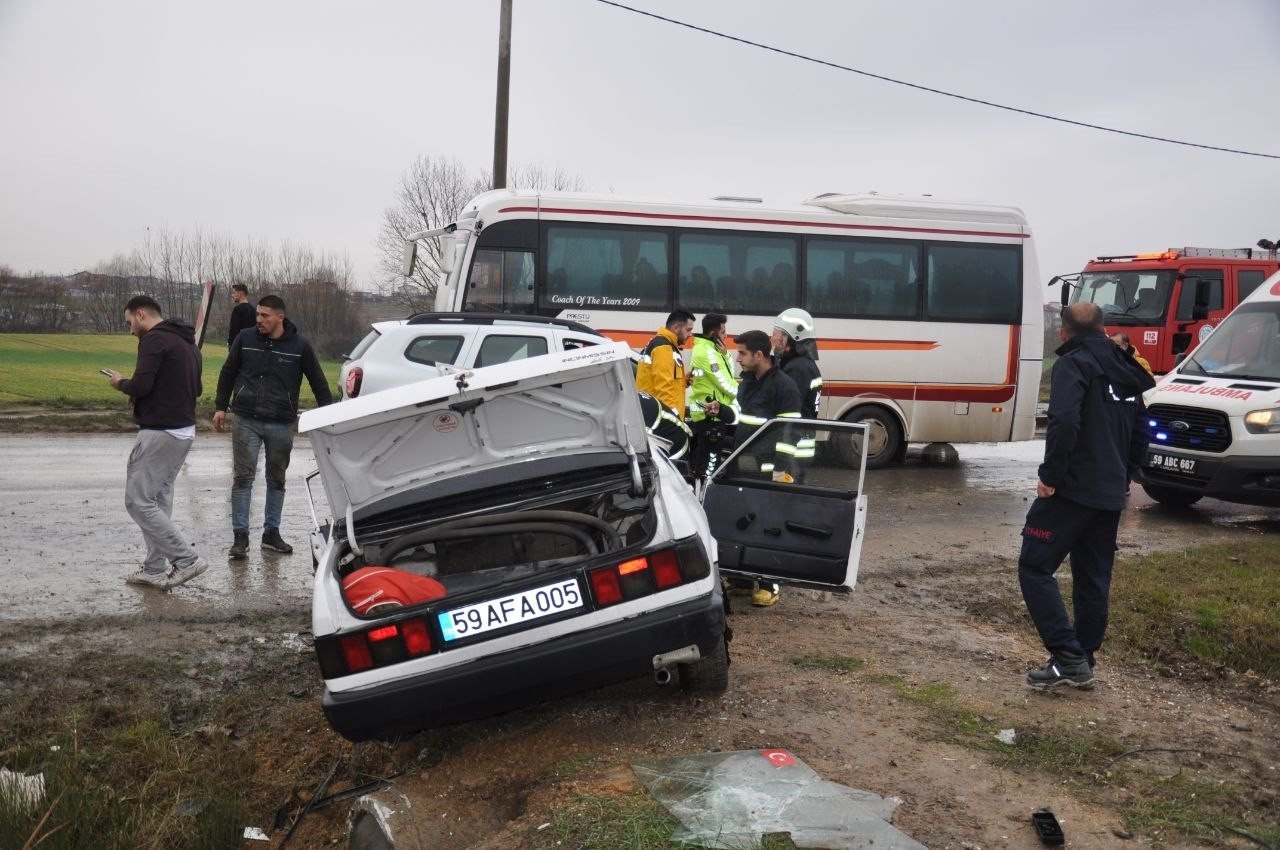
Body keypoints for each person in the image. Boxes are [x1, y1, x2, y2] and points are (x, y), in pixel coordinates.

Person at [1019, 302, 1154, 689]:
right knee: (1093, 578)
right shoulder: (1127, 368)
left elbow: (1063, 420)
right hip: (1109, 492)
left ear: (1064, 332)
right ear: (1102, 327)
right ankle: (1084, 661)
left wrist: (1050, 477)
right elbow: (1143, 431)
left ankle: (1068, 656)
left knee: (1034, 566)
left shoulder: (1073, 363)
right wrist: (1124, 476)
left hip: (1072, 490)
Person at [214, 295, 334, 558]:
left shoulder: (300, 345)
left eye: (265, 315)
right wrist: (221, 406)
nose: (259, 320)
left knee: (276, 480)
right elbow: (227, 372)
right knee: (243, 478)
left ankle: (271, 534)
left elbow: (318, 381)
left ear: (280, 317)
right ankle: (240, 537)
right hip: (246, 419)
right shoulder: (244, 339)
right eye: (257, 314)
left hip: (282, 422)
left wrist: (330, 415)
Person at [103, 295, 209, 590]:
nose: (129, 330)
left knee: (137, 501)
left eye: (129, 323)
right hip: (183, 431)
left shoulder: (153, 340)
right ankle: (153, 569)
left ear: (141, 315)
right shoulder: (188, 343)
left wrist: (120, 383)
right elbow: (195, 388)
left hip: (160, 431)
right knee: (157, 503)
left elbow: (141, 385)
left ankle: (187, 559)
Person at [706, 329, 803, 608]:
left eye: (742, 353)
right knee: (741, 519)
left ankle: (770, 582)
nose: (737, 358)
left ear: (759, 355)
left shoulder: (784, 386)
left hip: (770, 468)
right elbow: (741, 415)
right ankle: (741, 579)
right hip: (744, 464)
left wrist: (780, 471)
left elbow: (789, 432)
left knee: (768, 524)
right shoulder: (748, 381)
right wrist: (721, 410)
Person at [687, 312, 738, 480]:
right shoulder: (706, 353)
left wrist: (726, 355)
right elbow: (725, 384)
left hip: (715, 416)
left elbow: (729, 375)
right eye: (723, 332)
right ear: (714, 334)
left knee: (709, 463)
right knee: (707, 469)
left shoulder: (712, 350)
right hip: (709, 417)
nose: (726, 334)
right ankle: (702, 500)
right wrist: (746, 394)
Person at [771, 308, 822, 478]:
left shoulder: (798, 369)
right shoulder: (799, 364)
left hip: (794, 452)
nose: (773, 339)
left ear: (789, 338)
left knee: (789, 501)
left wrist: (780, 464)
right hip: (796, 450)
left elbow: (790, 414)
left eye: (777, 334)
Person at [635, 308, 695, 417]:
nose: (691, 334)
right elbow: (663, 390)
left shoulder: (662, 345)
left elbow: (663, 381)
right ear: (676, 328)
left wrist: (683, 382)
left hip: (655, 416)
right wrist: (674, 420)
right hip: (662, 420)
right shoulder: (663, 348)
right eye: (688, 330)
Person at [638, 391, 692, 461]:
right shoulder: (634, 399)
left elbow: (641, 446)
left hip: (676, 445)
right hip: (659, 437)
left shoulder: (641, 408)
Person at [227, 283, 256, 348]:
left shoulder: (237, 310)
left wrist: (230, 344)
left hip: (238, 345)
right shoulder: (254, 310)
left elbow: (234, 329)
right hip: (251, 346)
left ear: (240, 293)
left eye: (234, 293)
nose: (232, 295)